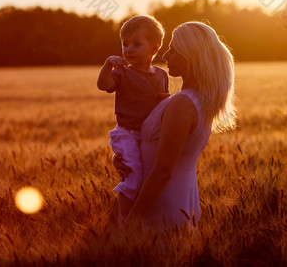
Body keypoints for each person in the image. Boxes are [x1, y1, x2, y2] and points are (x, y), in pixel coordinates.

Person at [115, 21, 236, 229]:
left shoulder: (182, 104)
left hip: (160, 209)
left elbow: (163, 170)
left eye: (172, 50)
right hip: (178, 201)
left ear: (190, 55)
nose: (165, 56)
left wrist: (130, 224)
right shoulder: (196, 100)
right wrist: (125, 157)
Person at [97, 15, 170, 220]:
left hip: (149, 135)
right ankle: (125, 220)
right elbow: (104, 85)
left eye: (136, 44)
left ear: (154, 49)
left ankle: (144, 218)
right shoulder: (121, 73)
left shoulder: (161, 75)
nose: (128, 49)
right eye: (125, 44)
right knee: (133, 175)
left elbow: (164, 101)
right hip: (127, 133)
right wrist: (107, 65)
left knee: (148, 175)